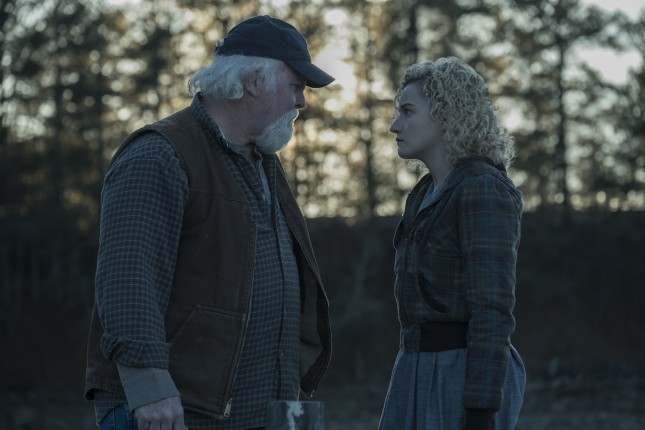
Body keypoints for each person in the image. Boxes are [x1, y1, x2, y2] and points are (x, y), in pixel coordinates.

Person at [85, 15, 334, 430]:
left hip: (249, 413)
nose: (301, 102)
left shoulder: (263, 162)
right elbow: (128, 278)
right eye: (295, 86)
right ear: (253, 82)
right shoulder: (158, 155)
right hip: (169, 412)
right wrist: (149, 386)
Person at [379, 57, 526, 430]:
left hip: (460, 372)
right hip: (414, 366)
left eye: (407, 111)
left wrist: (480, 409)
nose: (395, 125)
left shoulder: (482, 188)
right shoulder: (423, 194)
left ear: (444, 116)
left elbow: (492, 309)